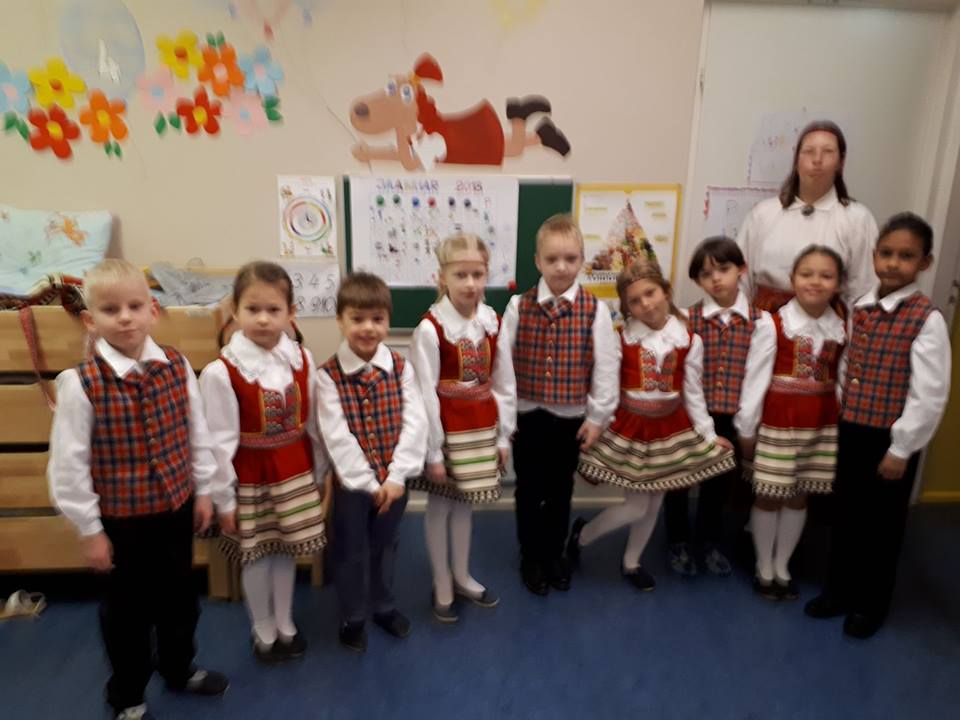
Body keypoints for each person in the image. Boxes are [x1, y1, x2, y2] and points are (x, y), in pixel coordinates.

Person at [48, 259, 230, 720]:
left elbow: (196, 432)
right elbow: (69, 465)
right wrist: (90, 529)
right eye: (111, 310)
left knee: (179, 600)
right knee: (126, 614)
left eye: (135, 306)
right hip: (120, 521)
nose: (125, 318)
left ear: (153, 310)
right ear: (90, 320)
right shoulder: (79, 384)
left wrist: (203, 490)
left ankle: (178, 667)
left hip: (174, 509)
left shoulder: (176, 365)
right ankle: (127, 693)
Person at [805, 212, 950, 638]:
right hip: (852, 428)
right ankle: (838, 591)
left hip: (890, 439)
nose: (893, 263)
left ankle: (871, 604)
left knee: (882, 526)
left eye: (906, 256)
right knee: (846, 516)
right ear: (874, 256)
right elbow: (847, 364)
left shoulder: (926, 318)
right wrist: (840, 409)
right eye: (886, 253)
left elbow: (929, 393)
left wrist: (902, 447)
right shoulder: (860, 308)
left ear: (924, 262)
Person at [569, 257, 735, 590]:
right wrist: (598, 420)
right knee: (636, 506)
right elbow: (606, 385)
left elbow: (693, 394)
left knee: (653, 503)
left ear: (665, 292)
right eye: (635, 300)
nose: (645, 304)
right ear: (626, 307)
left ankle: (632, 562)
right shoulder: (622, 338)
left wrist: (708, 434)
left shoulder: (689, 340)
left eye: (650, 293)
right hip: (631, 428)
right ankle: (582, 535)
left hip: (669, 429)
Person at [199, 261, 327, 663]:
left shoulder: (302, 359)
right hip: (251, 477)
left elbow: (313, 422)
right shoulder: (222, 372)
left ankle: (286, 621)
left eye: (274, 309)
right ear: (234, 311)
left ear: (291, 313)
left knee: (286, 551)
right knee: (256, 555)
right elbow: (217, 443)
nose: (263, 319)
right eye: (252, 309)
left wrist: (320, 471)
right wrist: (225, 500)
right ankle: (262, 627)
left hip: (294, 471)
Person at [503, 213, 619, 595]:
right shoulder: (519, 307)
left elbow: (606, 366)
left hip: (570, 418)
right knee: (528, 490)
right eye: (552, 259)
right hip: (527, 416)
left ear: (582, 260)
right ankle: (530, 556)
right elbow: (503, 366)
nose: (561, 267)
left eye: (570, 258)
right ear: (538, 261)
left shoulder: (595, 310)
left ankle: (554, 554)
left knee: (559, 490)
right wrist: (505, 419)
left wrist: (598, 417)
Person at [317, 272, 427, 652]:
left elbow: (415, 423)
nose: (368, 327)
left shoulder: (401, 368)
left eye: (377, 319)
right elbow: (336, 436)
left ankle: (383, 605)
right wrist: (367, 482)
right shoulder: (327, 377)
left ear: (388, 321)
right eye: (357, 318)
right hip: (353, 486)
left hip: (394, 483)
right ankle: (352, 615)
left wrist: (396, 477)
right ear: (340, 320)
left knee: (386, 544)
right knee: (350, 550)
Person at [409, 233, 516, 622]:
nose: (470, 283)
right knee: (440, 505)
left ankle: (462, 574)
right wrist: (433, 451)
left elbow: (503, 382)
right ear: (442, 277)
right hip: (447, 432)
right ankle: (441, 581)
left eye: (477, 274)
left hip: (480, 429)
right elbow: (424, 393)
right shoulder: (430, 329)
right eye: (460, 275)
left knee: (465, 505)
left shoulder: (492, 322)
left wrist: (503, 435)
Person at [737, 246, 847, 601]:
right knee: (769, 495)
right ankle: (763, 566)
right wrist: (747, 427)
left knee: (799, 496)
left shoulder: (840, 328)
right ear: (793, 279)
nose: (816, 281)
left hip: (819, 425)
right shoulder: (774, 324)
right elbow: (755, 378)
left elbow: (841, 379)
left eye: (826, 276)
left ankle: (783, 565)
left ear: (838, 283)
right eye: (807, 274)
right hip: (779, 424)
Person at [664, 237, 774, 577]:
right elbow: (683, 377)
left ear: (741, 270)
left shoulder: (762, 322)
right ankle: (677, 541)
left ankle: (709, 542)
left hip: (731, 417)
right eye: (705, 273)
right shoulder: (686, 319)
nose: (715, 279)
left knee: (717, 485)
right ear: (697, 280)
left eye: (723, 269)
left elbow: (757, 379)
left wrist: (746, 427)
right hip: (688, 415)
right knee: (678, 480)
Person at [737, 120, 877, 312]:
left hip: (827, 323)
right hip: (765, 319)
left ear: (841, 162)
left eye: (828, 152)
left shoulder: (857, 218)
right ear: (796, 161)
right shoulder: (763, 213)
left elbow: (864, 290)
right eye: (809, 151)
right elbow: (740, 280)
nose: (817, 159)